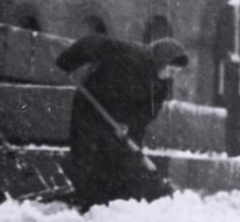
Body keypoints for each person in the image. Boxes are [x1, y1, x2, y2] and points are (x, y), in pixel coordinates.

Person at [56, 33, 189, 210]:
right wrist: (69, 61)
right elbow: (93, 42)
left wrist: (130, 124)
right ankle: (89, 200)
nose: (171, 76)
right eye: (170, 71)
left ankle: (111, 199)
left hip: (120, 121)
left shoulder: (161, 85)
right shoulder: (129, 54)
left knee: (124, 159)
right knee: (88, 153)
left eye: (175, 73)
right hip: (92, 106)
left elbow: (147, 114)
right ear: (161, 60)